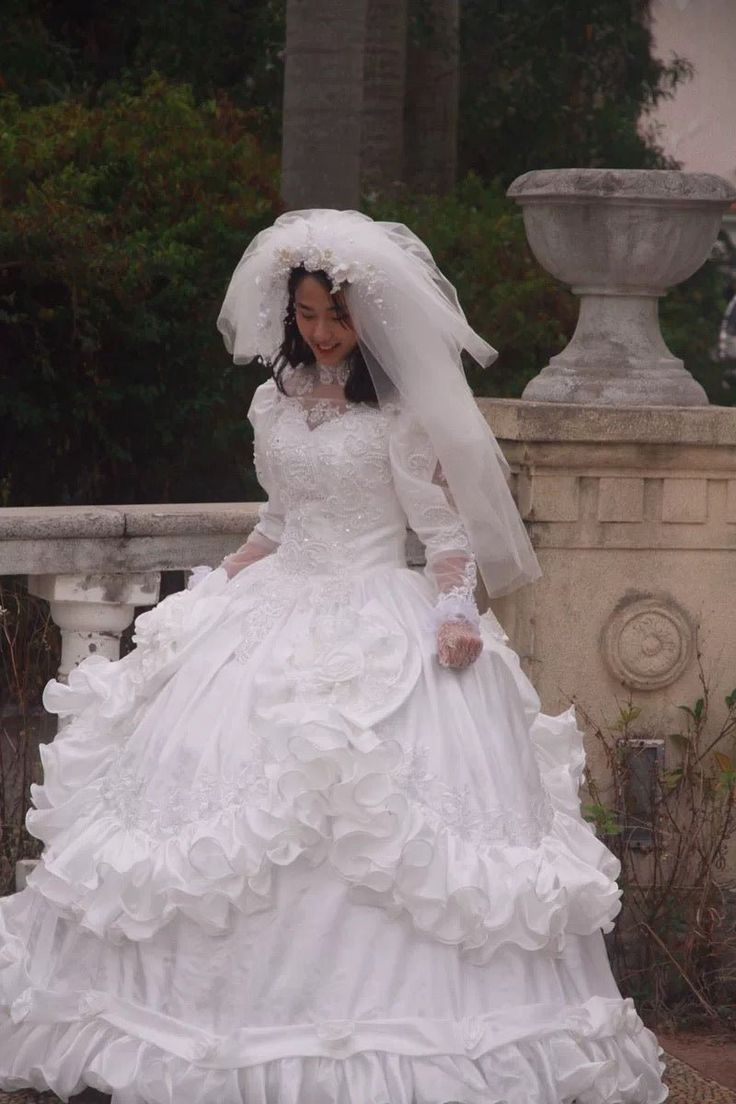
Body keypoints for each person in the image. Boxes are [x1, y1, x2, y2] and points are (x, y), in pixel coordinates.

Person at [0, 209, 667, 1104]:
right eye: (309, 314)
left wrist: (455, 613)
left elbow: (443, 537)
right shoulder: (272, 400)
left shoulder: (399, 417)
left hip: (375, 620)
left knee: (381, 823)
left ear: (373, 322)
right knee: (202, 782)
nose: (321, 333)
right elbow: (278, 520)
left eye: (338, 319)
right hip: (275, 606)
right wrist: (219, 584)